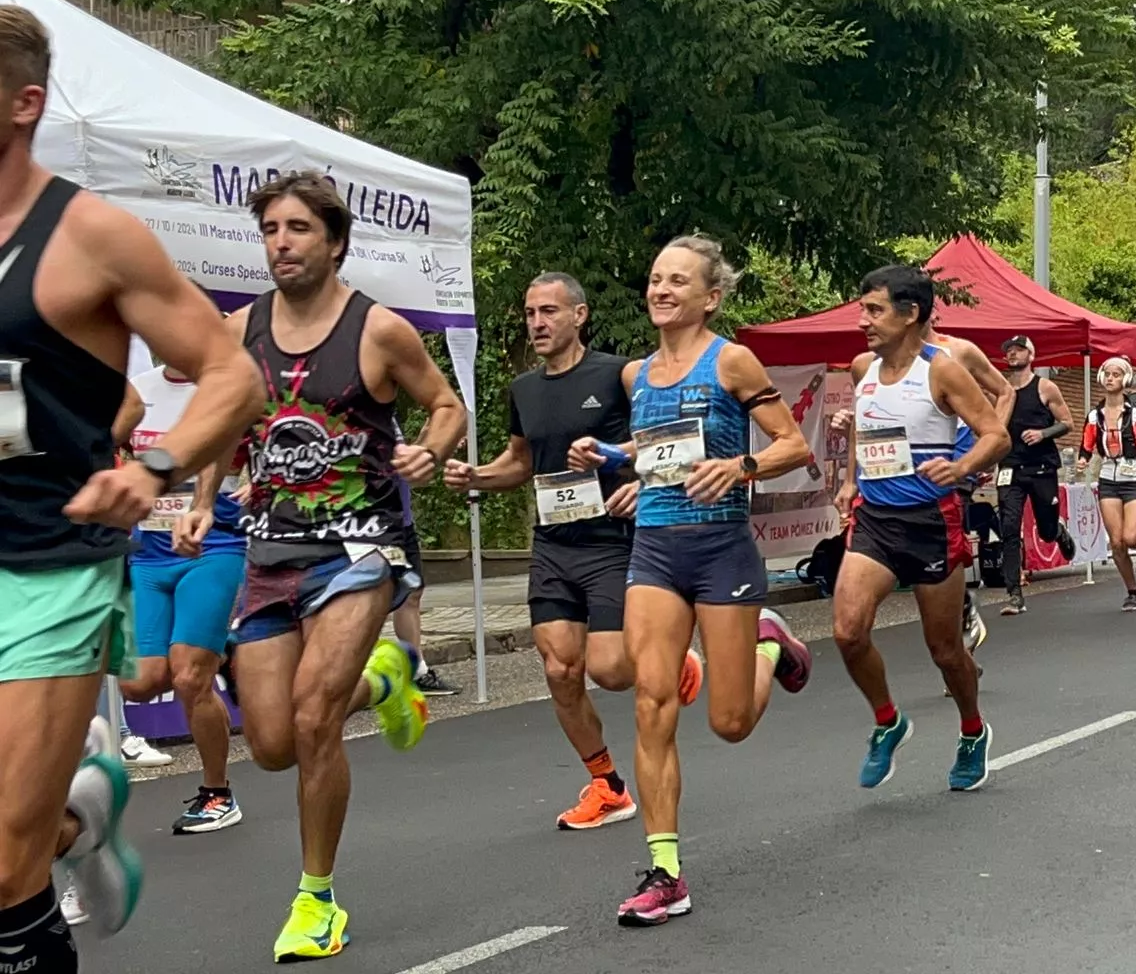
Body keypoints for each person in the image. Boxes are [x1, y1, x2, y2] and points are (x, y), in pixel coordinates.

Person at [0, 4, 263, 966]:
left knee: (0, 866)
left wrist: (151, 467)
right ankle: (75, 821)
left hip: (49, 558)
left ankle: (47, 838)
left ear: (26, 104)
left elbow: (233, 375)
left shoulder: (93, 236)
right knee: (14, 838)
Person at [227, 171, 467, 961]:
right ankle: (388, 677)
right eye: (270, 230)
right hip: (270, 550)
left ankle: (316, 899)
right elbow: (221, 419)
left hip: (360, 547)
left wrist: (430, 452)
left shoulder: (378, 330)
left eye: (297, 229)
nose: (282, 243)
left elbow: (446, 404)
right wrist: (199, 495)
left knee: (311, 718)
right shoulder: (242, 330)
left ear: (334, 241)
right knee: (268, 743)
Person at [559, 236, 813, 926]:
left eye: (677, 281)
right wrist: (611, 453)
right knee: (651, 698)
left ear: (711, 297)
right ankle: (665, 870)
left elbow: (794, 444)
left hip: (722, 550)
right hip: (655, 553)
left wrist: (740, 469)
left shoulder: (730, 360)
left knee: (730, 722)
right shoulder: (637, 375)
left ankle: (769, 646)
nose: (661, 290)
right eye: (654, 278)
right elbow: (659, 447)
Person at [443, 272, 684, 832]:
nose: (537, 323)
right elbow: (520, 462)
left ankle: (676, 659)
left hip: (613, 541)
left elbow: (668, 438)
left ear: (579, 315)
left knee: (613, 671)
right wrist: (476, 477)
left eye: (549, 311)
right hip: (553, 544)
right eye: (530, 313)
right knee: (559, 668)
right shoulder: (524, 389)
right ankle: (606, 785)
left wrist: (644, 484)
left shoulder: (620, 374)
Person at [834, 265, 1009, 792]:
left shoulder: (943, 370)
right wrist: (849, 478)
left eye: (875, 310)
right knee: (846, 631)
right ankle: (888, 722)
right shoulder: (862, 366)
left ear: (911, 314)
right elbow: (871, 435)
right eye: (861, 309)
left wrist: (959, 469)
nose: (863, 320)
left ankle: (973, 731)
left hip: (932, 520)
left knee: (946, 652)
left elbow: (995, 435)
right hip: (876, 520)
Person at [122, 342, 248, 834]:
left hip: (214, 546)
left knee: (190, 677)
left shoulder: (226, 389)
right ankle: (229, 647)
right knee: (139, 681)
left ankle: (217, 794)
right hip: (151, 552)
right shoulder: (138, 394)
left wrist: (256, 480)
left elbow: (267, 447)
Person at [993, 335, 1076, 615]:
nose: (1012, 355)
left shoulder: (1045, 387)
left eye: (1018, 350)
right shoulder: (1001, 390)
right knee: (1008, 528)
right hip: (1010, 468)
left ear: (1031, 355)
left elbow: (1067, 423)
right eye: (1009, 351)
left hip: (1041, 467)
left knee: (1045, 530)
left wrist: (1043, 433)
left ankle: (1058, 531)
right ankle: (1014, 594)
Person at [1078, 357, 1136, 612]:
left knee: (1131, 536)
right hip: (1108, 477)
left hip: (1135, 475)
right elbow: (1086, 445)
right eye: (1108, 374)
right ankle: (1132, 591)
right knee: (1116, 542)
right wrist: (1082, 461)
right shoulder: (1095, 415)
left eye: (1117, 374)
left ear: (1125, 380)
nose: (1111, 378)